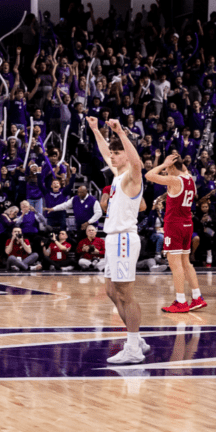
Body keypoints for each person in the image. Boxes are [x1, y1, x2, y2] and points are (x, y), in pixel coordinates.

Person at [88, 117, 150, 365]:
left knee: (126, 294)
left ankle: (133, 347)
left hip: (124, 238)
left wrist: (122, 133)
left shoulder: (132, 177)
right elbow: (105, 153)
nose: (112, 156)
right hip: (113, 239)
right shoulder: (117, 175)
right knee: (112, 291)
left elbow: (136, 163)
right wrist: (95, 130)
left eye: (117, 153)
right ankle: (138, 340)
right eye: (112, 153)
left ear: (127, 154)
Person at [145, 152, 207, 312]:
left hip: (174, 225)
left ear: (172, 166)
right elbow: (182, 172)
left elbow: (149, 175)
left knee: (175, 264)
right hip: (187, 224)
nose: (166, 172)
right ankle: (197, 297)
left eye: (168, 170)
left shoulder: (174, 180)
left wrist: (164, 164)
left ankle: (181, 301)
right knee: (186, 263)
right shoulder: (191, 180)